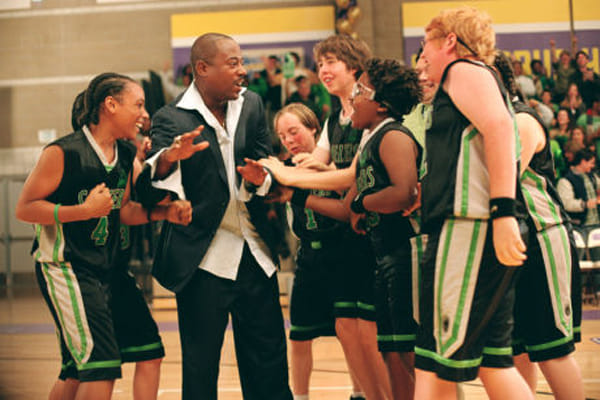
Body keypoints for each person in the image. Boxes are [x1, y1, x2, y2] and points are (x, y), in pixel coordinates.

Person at [15, 72, 192, 400]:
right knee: (102, 366)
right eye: (138, 105)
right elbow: (24, 208)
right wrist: (82, 211)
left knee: (146, 353)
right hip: (69, 269)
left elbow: (124, 211)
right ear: (111, 105)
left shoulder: (124, 154)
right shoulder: (63, 152)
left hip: (112, 269)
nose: (145, 114)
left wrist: (164, 213)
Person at [138, 33, 292, 400]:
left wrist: (261, 179)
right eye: (233, 63)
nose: (243, 70)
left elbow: (266, 166)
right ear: (202, 69)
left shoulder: (252, 104)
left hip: (255, 253)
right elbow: (149, 190)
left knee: (269, 362)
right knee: (201, 367)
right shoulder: (170, 117)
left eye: (242, 62)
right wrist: (169, 158)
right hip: (202, 260)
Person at [261, 34, 393, 400]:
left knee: (376, 335)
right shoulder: (336, 118)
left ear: (353, 66)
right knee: (348, 329)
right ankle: (364, 394)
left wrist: (288, 177)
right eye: (320, 64)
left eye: (330, 62)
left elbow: (348, 175)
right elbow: (315, 166)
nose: (323, 70)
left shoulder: (372, 114)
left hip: (379, 235)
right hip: (350, 238)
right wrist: (276, 173)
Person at [414, 7, 533, 399]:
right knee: (493, 362)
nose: (423, 54)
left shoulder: (462, 70)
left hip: (468, 226)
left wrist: (503, 213)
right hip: (475, 224)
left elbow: (500, 130)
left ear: (449, 41)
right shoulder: (478, 76)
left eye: (426, 43)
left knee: (437, 358)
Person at [495, 51, 585, 400]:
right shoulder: (495, 124)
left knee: (551, 349)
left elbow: (502, 177)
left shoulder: (520, 119)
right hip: (513, 242)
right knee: (515, 349)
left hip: (542, 237)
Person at [346, 58, 422, 400]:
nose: (353, 96)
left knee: (409, 353)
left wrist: (362, 203)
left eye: (360, 90)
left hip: (405, 253)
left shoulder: (392, 136)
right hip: (384, 255)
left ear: (381, 104)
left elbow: (404, 193)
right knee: (392, 351)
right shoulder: (372, 139)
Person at [270, 103, 347, 400]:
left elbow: (346, 190)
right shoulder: (285, 170)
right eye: (282, 136)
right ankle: (300, 396)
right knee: (299, 336)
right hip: (308, 259)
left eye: (294, 131)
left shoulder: (334, 166)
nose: (289, 140)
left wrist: (321, 169)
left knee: (350, 334)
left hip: (341, 254)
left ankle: (360, 392)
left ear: (314, 128)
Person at [557, 148, 600, 228]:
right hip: (579, 226)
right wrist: (584, 204)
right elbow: (566, 204)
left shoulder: (592, 176)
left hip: (596, 224)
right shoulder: (565, 181)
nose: (593, 166)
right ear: (583, 162)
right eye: (591, 163)